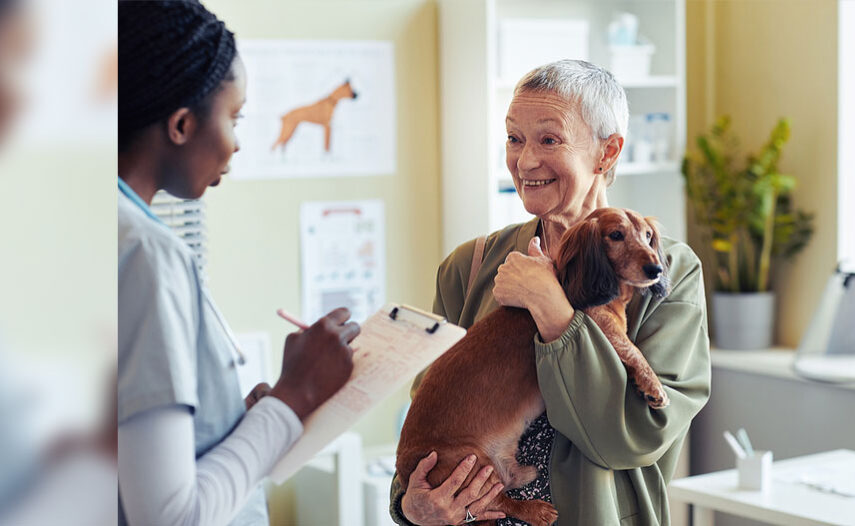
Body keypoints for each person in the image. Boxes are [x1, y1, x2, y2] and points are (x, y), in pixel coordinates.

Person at [390, 59, 711, 526]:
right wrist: (409, 505)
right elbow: (429, 422)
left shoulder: (667, 274)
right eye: (514, 139)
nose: (525, 161)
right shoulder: (470, 266)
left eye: (549, 139)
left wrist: (554, 310)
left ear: (607, 153)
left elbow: (634, 437)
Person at [117, 2, 358, 525]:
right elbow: (168, 518)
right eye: (234, 117)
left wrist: (236, 423)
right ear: (181, 125)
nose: (237, 143)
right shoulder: (147, 255)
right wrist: (295, 396)